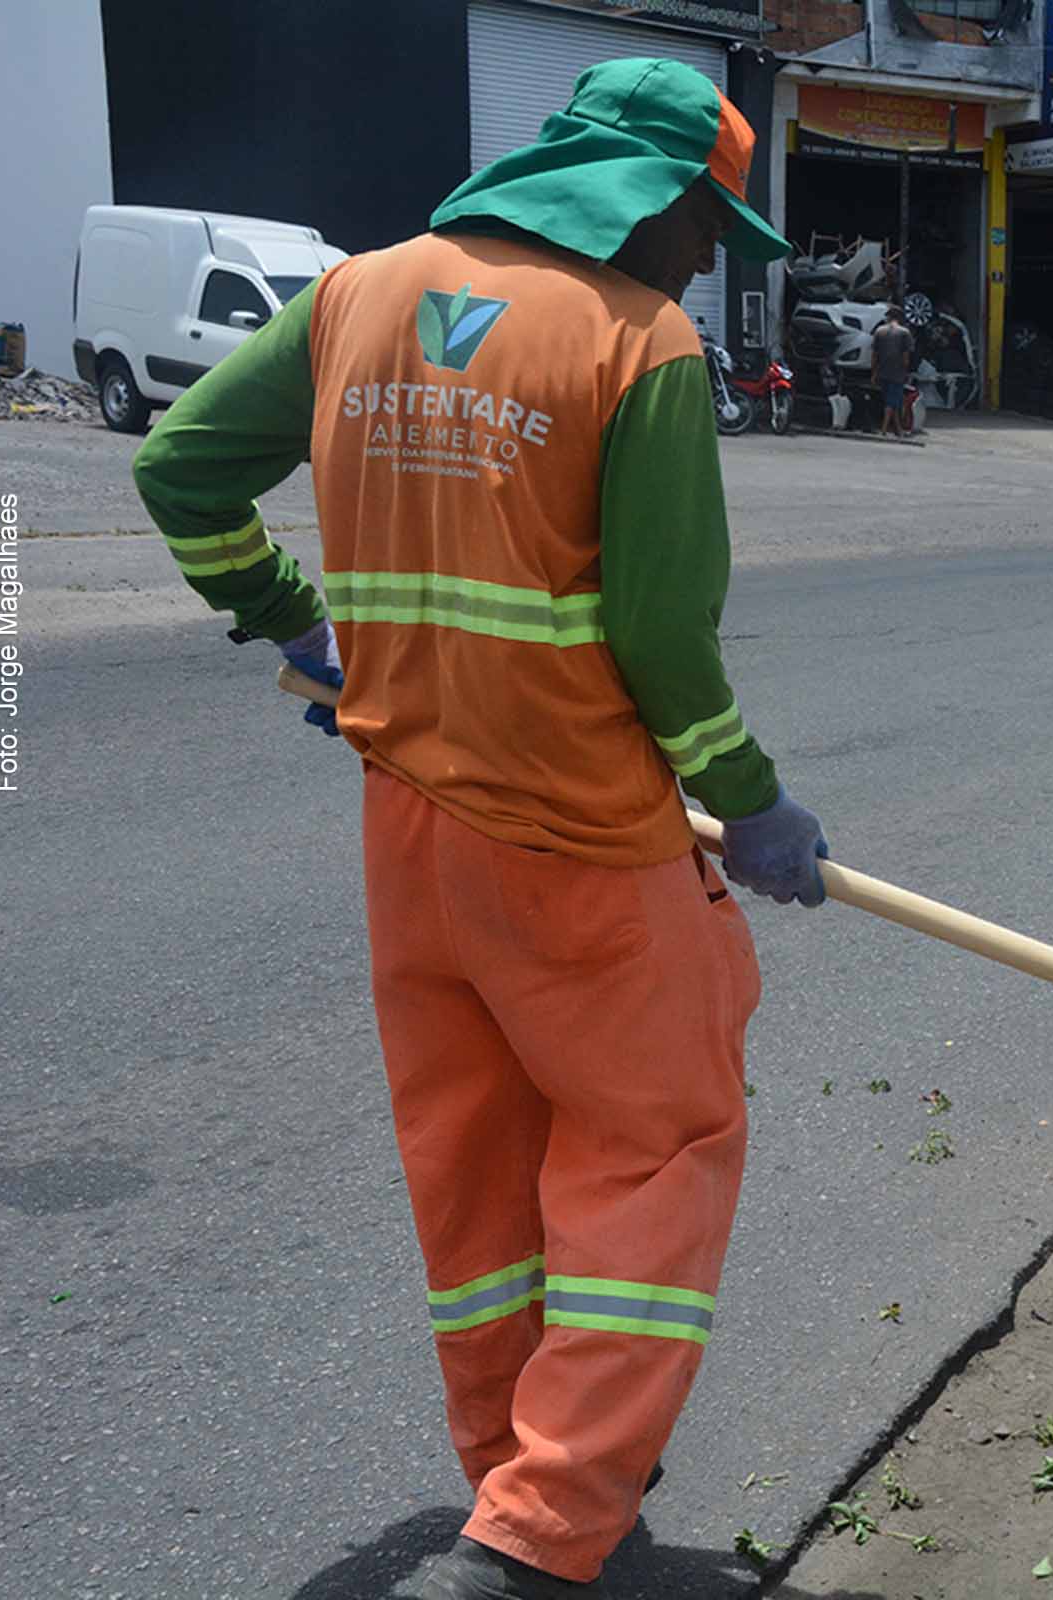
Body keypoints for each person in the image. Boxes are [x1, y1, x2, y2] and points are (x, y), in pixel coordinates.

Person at [132, 58, 823, 1600]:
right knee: (659, 1154)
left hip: (414, 838)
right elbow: (660, 634)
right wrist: (756, 803)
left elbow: (180, 470)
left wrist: (296, 629)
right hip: (583, 840)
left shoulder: (358, 295)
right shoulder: (640, 340)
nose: (710, 256)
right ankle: (548, 1526)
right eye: (707, 223)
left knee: (480, 1175)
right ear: (643, 200)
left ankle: (517, 1489)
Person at [872, 305, 917, 439]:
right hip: (897, 372)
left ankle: (898, 430)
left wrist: (874, 373)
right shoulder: (904, 333)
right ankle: (884, 430)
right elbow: (906, 357)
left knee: (893, 401)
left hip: (882, 371)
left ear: (888, 317)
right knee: (892, 402)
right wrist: (906, 371)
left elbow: (874, 355)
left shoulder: (879, 331)